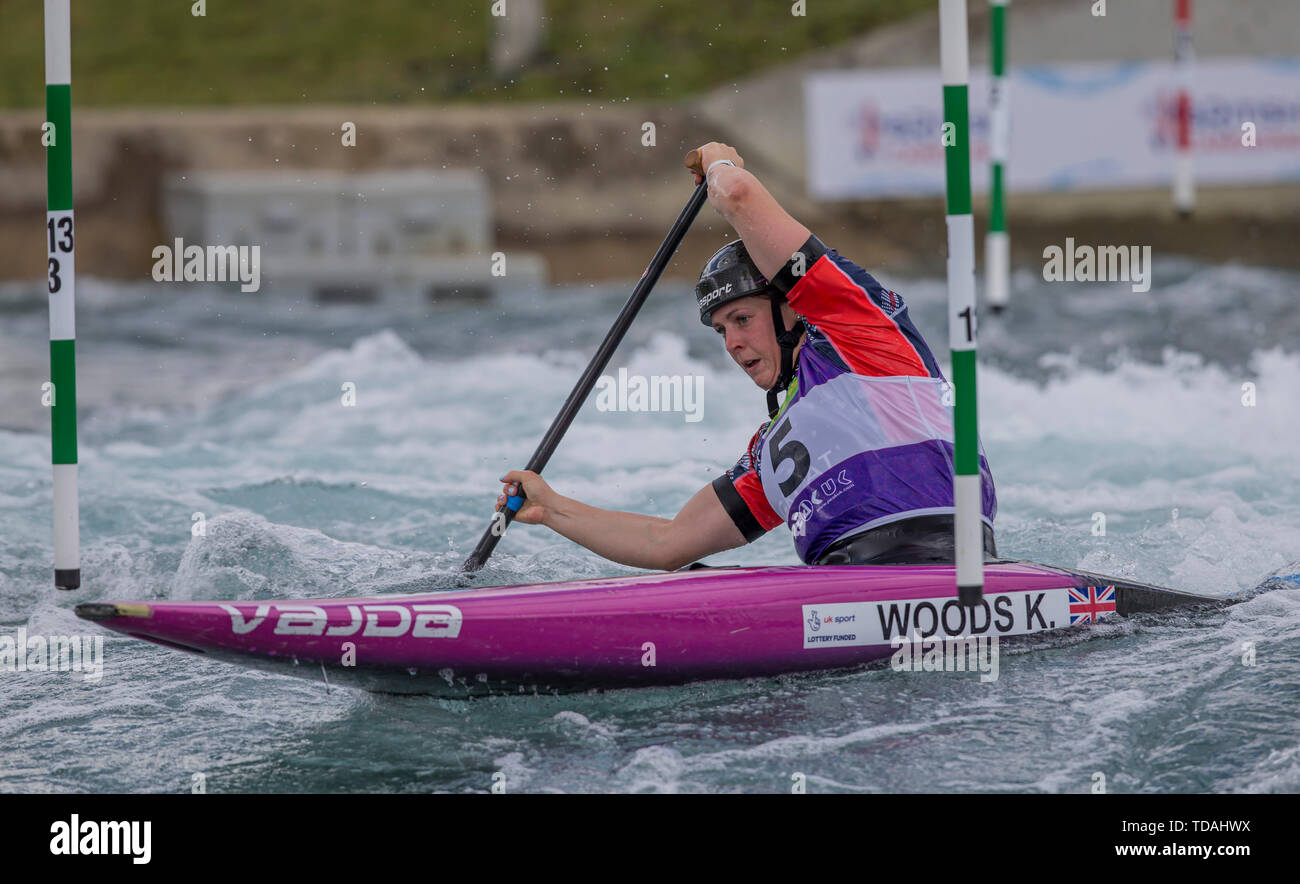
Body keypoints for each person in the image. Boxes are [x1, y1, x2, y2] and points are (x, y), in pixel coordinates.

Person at [495, 142, 997, 569]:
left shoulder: (864, 335)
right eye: (720, 331)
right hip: (845, 597)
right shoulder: (771, 451)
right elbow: (668, 544)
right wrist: (552, 508)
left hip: (952, 569)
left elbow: (737, 195)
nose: (732, 343)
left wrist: (719, 161)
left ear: (791, 311)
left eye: (742, 319)